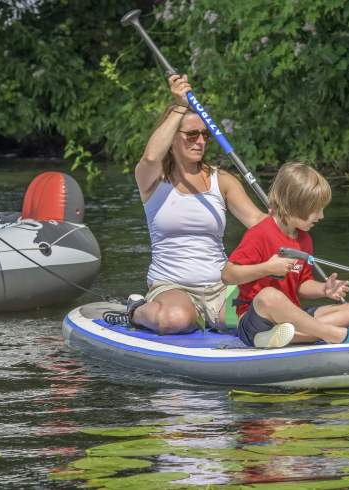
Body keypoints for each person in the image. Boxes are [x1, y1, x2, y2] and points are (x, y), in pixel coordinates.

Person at [107, 73, 265, 334]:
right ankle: (136, 309)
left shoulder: (222, 180)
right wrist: (179, 105)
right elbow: (149, 157)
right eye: (191, 134)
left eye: (205, 134)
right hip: (172, 286)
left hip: (221, 286)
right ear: (172, 139)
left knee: (262, 313)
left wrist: (286, 224)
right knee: (177, 319)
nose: (201, 141)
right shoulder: (152, 180)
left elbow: (257, 222)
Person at [221, 162, 349, 348]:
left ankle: (284, 337)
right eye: (316, 209)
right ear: (293, 205)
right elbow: (227, 275)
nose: (321, 216)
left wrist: (324, 290)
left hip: (290, 319)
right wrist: (266, 268)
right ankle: (334, 335)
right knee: (269, 296)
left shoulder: (304, 239)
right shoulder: (260, 234)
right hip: (255, 319)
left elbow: (301, 285)